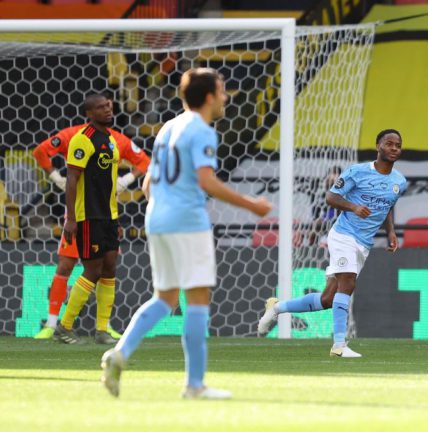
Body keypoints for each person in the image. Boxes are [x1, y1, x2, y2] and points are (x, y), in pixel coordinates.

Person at [100, 68, 272, 399]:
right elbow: (206, 181)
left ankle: (120, 353)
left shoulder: (168, 128)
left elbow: (148, 184)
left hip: (157, 219)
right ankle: (194, 384)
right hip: (187, 221)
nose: (225, 97)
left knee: (164, 298)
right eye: (221, 91)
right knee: (197, 300)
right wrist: (251, 205)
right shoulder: (202, 131)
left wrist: (167, 204)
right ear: (209, 97)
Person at [258, 129, 407, 358]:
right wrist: (354, 207)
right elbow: (331, 197)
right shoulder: (357, 172)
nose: (394, 148)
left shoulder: (399, 181)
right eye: (389, 143)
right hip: (343, 235)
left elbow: (386, 206)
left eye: (398, 145)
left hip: (363, 243)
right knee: (348, 282)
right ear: (378, 146)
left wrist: (391, 232)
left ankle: (276, 308)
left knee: (328, 299)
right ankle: (339, 345)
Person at [32, 110, 149, 341]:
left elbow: (145, 161)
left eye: (110, 106)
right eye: (103, 106)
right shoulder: (74, 135)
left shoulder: (117, 139)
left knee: (107, 266)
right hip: (78, 212)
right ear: (91, 112)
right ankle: (53, 323)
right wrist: (56, 178)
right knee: (67, 264)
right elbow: (40, 152)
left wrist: (125, 180)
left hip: (107, 213)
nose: (108, 110)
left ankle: (102, 327)